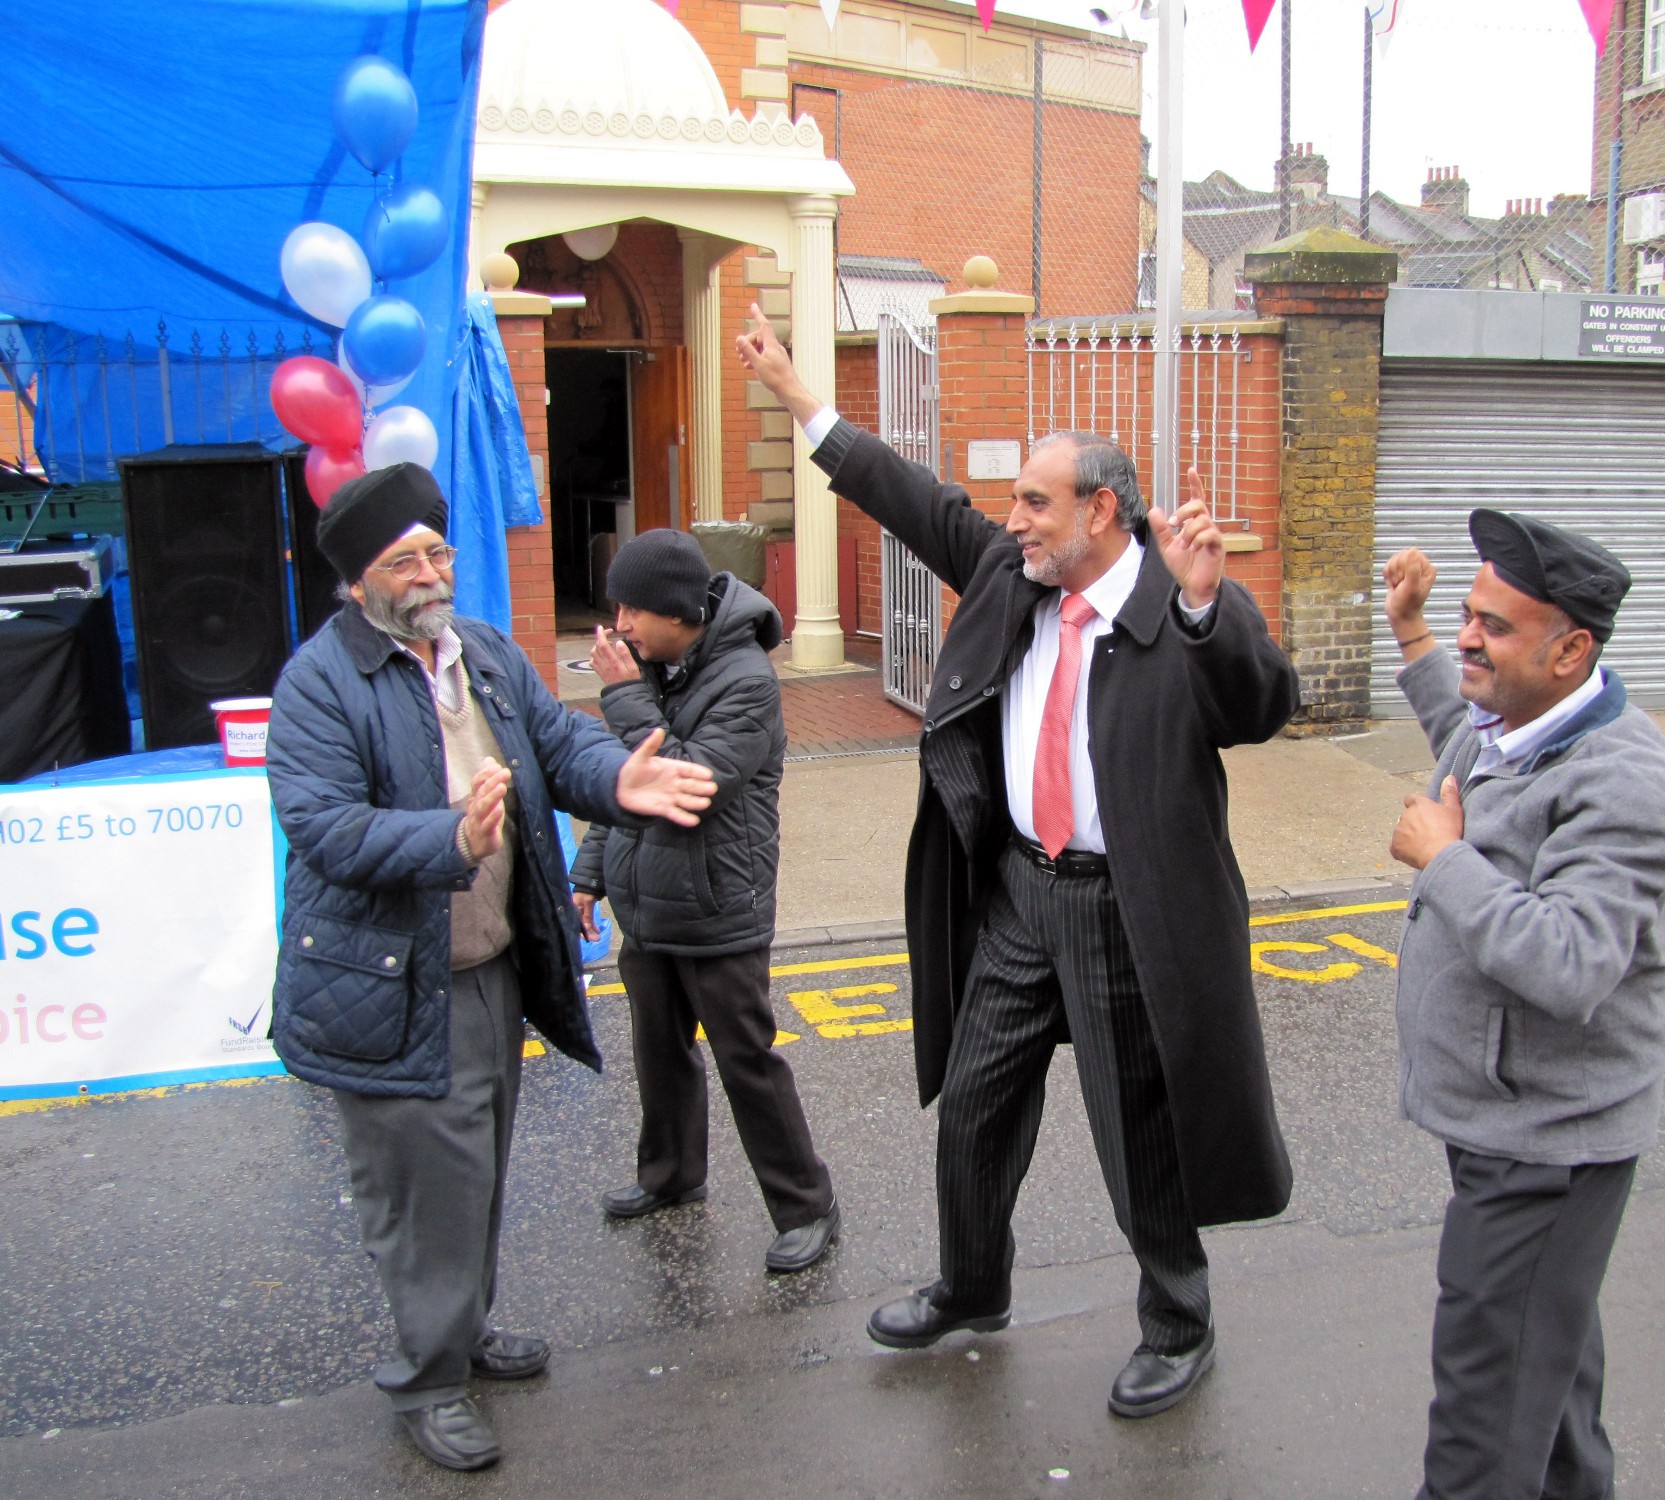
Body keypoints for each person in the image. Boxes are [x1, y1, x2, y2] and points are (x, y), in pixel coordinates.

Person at [736, 306, 1299, 1417]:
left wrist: (1203, 604)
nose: (1013, 519)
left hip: (1120, 909)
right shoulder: (1012, 573)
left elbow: (1261, 705)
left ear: (1101, 509)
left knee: (1136, 1126)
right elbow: (908, 497)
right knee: (975, 1103)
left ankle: (1178, 1322)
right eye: (1015, 504)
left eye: (1035, 501)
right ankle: (973, 1284)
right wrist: (802, 399)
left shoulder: (1171, 606)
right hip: (1019, 895)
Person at [264, 464, 718, 1473]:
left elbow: (561, 748)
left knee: (471, 1172)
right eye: (405, 561)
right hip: (384, 981)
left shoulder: (484, 654)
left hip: (487, 967)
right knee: (416, 1191)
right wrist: (451, 840)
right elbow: (325, 828)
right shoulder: (318, 684)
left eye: (439, 552)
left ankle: (460, 1330)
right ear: (358, 581)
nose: (430, 575)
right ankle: (429, 1380)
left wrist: (621, 778)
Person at [1383, 512, 1665, 1500]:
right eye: (1469, 615)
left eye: (1495, 627)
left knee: (1483, 1422)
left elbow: (1570, 964)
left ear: (1571, 650)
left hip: (1546, 1150)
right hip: (1511, 1123)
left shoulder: (1626, 781)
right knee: (1547, 1387)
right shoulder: (1515, 724)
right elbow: (1461, 730)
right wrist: (1417, 637)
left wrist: (1447, 858)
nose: (1472, 638)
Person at [569, 528, 839, 1272]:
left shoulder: (746, 680)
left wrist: (623, 698)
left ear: (678, 610)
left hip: (719, 904)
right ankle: (670, 1177)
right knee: (658, 1052)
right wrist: (589, 872)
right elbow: (622, 779)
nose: (620, 624)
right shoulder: (657, 664)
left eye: (633, 608)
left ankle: (807, 1206)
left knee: (745, 1059)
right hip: (646, 901)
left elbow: (687, 781)